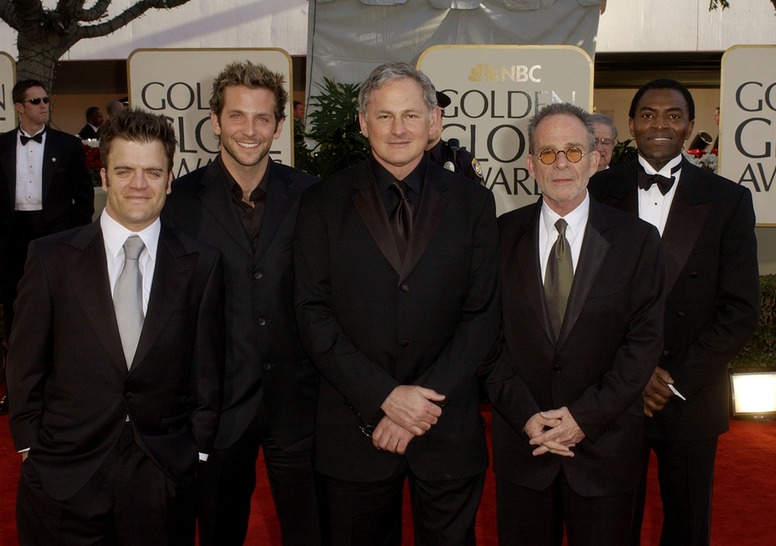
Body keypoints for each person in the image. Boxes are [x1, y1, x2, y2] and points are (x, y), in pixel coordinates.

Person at [294, 61, 500, 545]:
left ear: (435, 122)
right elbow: (312, 313)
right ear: (363, 123)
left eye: (411, 114)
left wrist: (419, 406)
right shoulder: (321, 203)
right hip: (355, 427)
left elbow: (482, 315)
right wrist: (385, 398)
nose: (399, 129)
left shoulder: (474, 204)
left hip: (445, 428)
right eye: (384, 116)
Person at [6, 108, 225, 545]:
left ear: (169, 180)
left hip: (161, 478)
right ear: (104, 177)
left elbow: (208, 369)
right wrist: (31, 446)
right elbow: (24, 360)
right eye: (124, 170)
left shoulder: (201, 262)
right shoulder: (51, 258)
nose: (138, 185)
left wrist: (194, 451)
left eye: (152, 172)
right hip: (64, 477)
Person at [481, 102, 666, 546]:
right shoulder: (498, 237)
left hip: (605, 450)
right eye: (547, 153)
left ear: (596, 158)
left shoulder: (637, 240)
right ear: (530, 164)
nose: (560, 163)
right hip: (525, 447)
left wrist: (583, 418)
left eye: (573, 151)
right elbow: (484, 339)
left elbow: (643, 345)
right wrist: (527, 417)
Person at [589, 78, 759, 546]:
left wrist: (672, 378)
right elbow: (586, 298)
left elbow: (739, 308)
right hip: (613, 390)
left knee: (688, 523)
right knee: (610, 521)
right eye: (647, 114)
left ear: (689, 126)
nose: (659, 124)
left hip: (689, 392)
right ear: (631, 125)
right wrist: (633, 374)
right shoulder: (598, 190)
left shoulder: (728, 199)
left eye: (672, 115)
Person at [162, 60, 323, 546]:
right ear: (214, 120)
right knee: (219, 532)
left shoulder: (313, 196)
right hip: (216, 407)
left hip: (299, 403)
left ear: (278, 124)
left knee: (312, 532)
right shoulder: (179, 202)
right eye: (236, 116)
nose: (249, 131)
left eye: (261, 118)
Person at [0, 79, 93, 416]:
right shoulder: (1, 145)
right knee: (14, 318)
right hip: (12, 242)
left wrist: (76, 238)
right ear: (19, 107)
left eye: (45, 100)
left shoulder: (67, 145)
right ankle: (17, 393)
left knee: (62, 312)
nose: (43, 105)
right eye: (35, 101)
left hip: (55, 237)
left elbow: (83, 199)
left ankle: (63, 388)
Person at [426, 90, 484, 184]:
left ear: (441, 119)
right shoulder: (403, 159)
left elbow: (480, 197)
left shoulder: (461, 160)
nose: (432, 122)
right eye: (427, 116)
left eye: (436, 116)